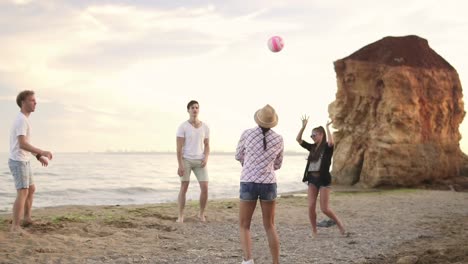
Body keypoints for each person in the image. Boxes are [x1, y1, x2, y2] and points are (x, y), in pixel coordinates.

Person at [235, 104, 284, 264]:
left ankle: (248, 260)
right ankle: (276, 262)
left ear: (258, 119)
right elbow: (278, 164)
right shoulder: (279, 139)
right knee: (269, 225)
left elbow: (238, 155)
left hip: (248, 181)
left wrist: (249, 165)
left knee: (244, 225)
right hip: (268, 183)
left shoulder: (247, 134)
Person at [8, 90, 53, 233]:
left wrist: (37, 156)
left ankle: (27, 218)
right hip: (18, 161)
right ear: (23, 102)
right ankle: (15, 227)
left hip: (24, 160)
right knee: (22, 192)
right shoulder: (21, 120)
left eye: (35, 100)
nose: (35, 103)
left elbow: (25, 145)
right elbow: (22, 144)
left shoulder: (25, 119)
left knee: (31, 189)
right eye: (32, 100)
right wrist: (42, 152)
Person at [296, 116, 345, 237]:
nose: (312, 137)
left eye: (314, 135)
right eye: (311, 135)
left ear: (321, 134)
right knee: (311, 206)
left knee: (324, 208)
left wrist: (328, 128)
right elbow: (298, 139)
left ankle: (340, 225)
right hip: (312, 180)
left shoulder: (327, 148)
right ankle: (314, 231)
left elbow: (331, 142)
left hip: (323, 180)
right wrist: (303, 127)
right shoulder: (312, 147)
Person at [176, 100, 210, 223]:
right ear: (188, 110)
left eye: (196, 107)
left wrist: (205, 158)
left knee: (205, 187)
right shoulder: (183, 126)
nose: (195, 109)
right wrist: (180, 165)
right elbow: (179, 148)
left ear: (198, 110)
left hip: (200, 161)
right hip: (186, 160)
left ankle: (201, 214)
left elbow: (207, 145)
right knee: (184, 186)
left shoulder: (205, 127)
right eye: (192, 108)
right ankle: (180, 216)